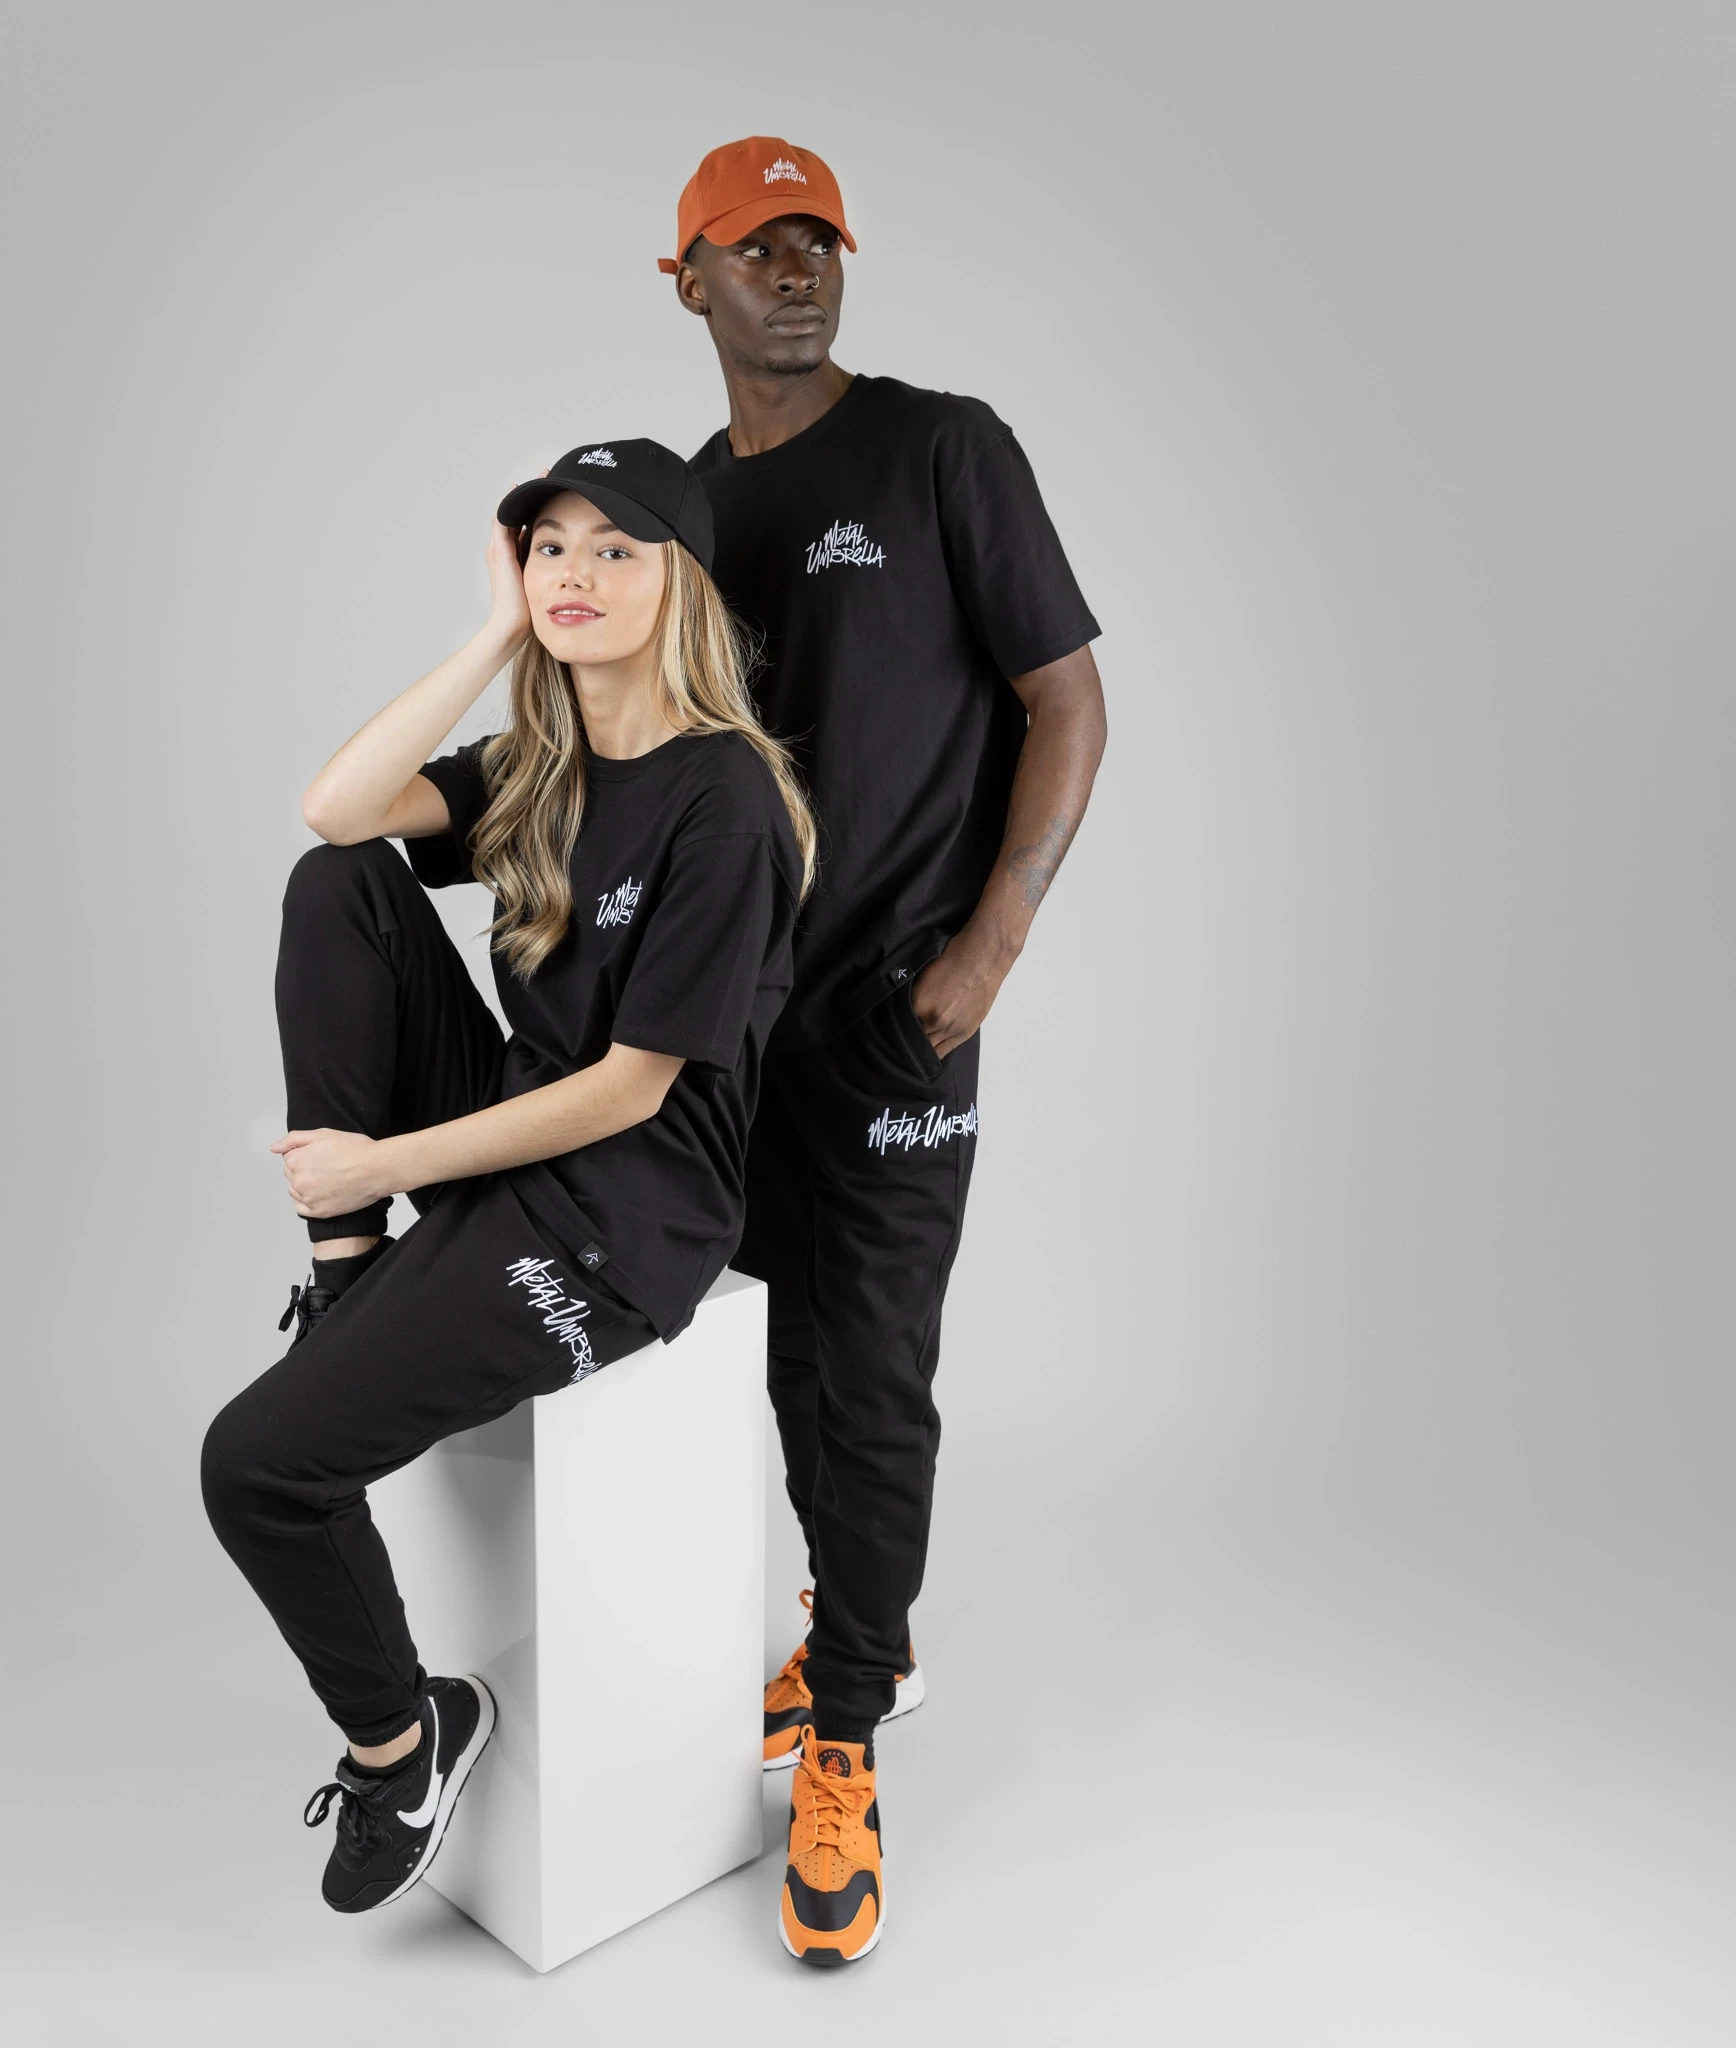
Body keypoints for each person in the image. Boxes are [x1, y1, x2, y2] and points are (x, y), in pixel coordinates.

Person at [201, 438, 813, 1917]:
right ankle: (347, 1272)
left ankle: (404, 1742)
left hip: (622, 1221)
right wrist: (490, 637)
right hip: (512, 1141)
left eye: (615, 549)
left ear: (681, 584)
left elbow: (631, 1088)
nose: (574, 574)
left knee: (257, 1467)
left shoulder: (725, 798)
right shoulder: (541, 769)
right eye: (549, 549)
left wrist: (382, 1160)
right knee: (338, 884)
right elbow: (335, 811)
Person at [660, 138, 1109, 1965]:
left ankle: (844, 1735)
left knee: (872, 1365)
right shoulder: (691, 500)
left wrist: (993, 944)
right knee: (788, 1345)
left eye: (818, 241)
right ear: (686, 280)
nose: (796, 270)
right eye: (754, 247)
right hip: (742, 1020)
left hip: (902, 1012)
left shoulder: (944, 449)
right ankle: (874, 1625)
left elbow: (1068, 699)